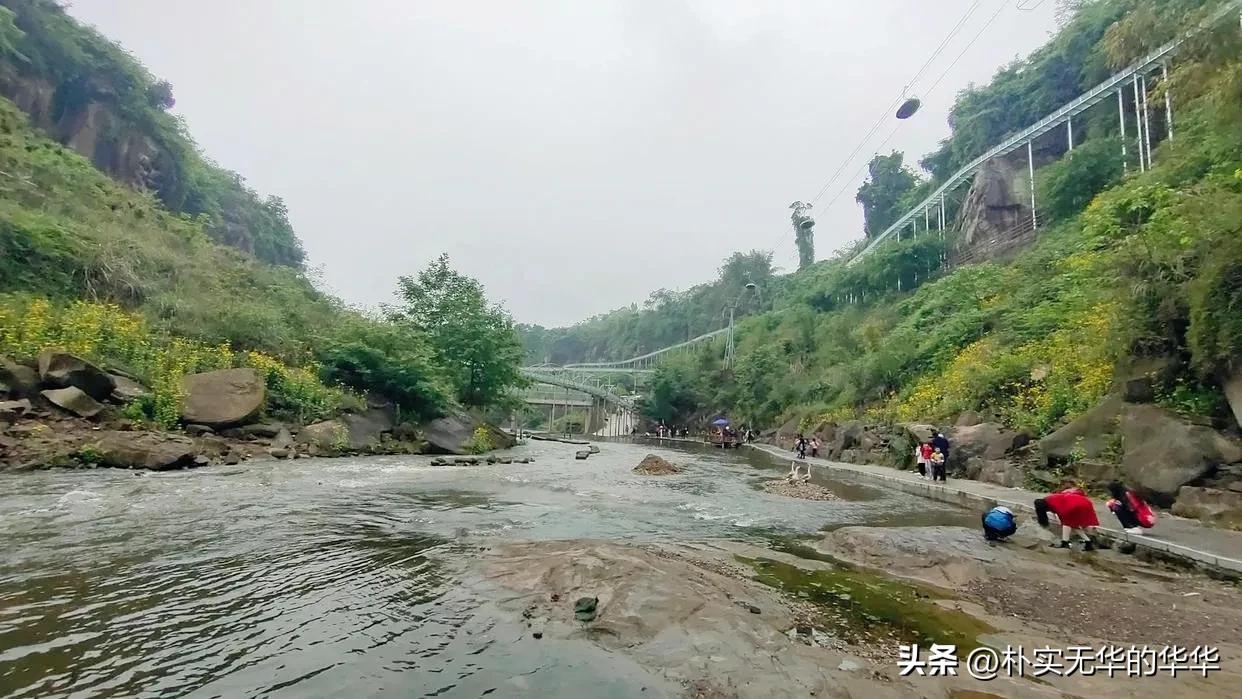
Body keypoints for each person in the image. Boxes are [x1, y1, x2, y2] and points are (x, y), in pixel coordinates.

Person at [1035, 486, 1099, 550]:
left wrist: (1060, 521)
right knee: (1073, 524)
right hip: (1083, 502)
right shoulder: (1049, 499)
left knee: (1067, 523)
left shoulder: (1050, 503)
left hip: (1074, 505)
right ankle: (1088, 542)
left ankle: (1065, 542)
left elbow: (1061, 513)